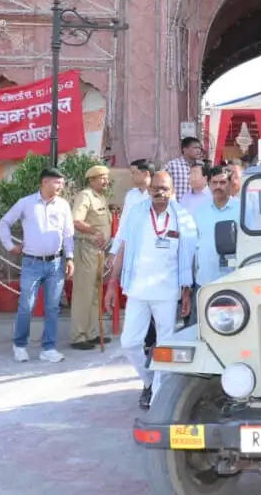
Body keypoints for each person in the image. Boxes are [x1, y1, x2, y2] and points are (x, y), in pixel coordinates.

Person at [104, 172, 197, 411]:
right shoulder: (136, 213)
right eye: (156, 187)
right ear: (150, 188)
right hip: (137, 289)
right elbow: (122, 247)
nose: (160, 192)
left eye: (164, 188)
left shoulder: (182, 217)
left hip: (167, 292)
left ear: (172, 189)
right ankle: (148, 381)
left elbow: (187, 256)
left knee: (165, 344)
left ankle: (157, 394)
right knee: (129, 342)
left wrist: (186, 292)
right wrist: (112, 284)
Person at [0, 167, 75, 364]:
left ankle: (48, 348)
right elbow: (4, 222)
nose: (60, 186)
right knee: (26, 305)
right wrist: (9, 245)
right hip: (31, 262)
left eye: (62, 183)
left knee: (52, 307)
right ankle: (20, 345)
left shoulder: (64, 205)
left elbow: (68, 234)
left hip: (56, 263)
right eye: (57, 182)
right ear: (45, 182)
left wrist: (70, 258)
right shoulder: (26, 203)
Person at [69, 165, 113, 350]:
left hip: (98, 251)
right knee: (83, 294)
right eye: (101, 178)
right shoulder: (85, 196)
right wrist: (95, 232)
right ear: (92, 179)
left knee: (96, 293)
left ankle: (92, 333)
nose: (105, 181)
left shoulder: (100, 197)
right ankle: (78, 336)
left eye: (106, 177)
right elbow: (76, 220)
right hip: (86, 249)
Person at [192, 165, 240, 305]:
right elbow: (194, 246)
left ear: (230, 184)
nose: (218, 186)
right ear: (209, 184)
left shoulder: (242, 209)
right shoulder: (200, 211)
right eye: (214, 183)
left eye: (222, 182)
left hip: (233, 280)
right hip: (205, 281)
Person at [165, 137, 205, 201]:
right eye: (195, 148)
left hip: (197, 206)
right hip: (177, 207)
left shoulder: (202, 166)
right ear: (184, 149)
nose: (199, 150)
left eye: (200, 148)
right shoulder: (172, 165)